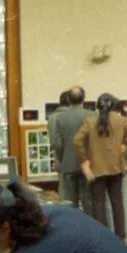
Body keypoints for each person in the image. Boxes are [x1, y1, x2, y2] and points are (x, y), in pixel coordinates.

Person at [74, 93, 127, 240]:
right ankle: (120, 235)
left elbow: (77, 141)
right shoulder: (120, 120)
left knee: (98, 204)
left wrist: (84, 159)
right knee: (117, 203)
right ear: (113, 106)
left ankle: (103, 236)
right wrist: (126, 144)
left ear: (97, 106)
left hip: (96, 169)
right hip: (116, 167)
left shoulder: (90, 121)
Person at [51, 86, 95, 215]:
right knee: (88, 200)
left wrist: (63, 157)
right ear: (84, 99)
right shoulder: (92, 115)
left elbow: (57, 143)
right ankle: (90, 227)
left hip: (68, 163)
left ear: (69, 99)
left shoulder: (61, 118)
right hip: (88, 164)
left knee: (70, 202)